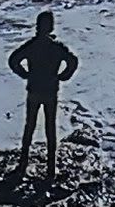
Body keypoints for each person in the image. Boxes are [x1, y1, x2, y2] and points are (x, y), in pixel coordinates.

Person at [8, 9, 78, 181]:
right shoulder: (57, 47)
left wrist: (25, 74)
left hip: (34, 90)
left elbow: (13, 60)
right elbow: (73, 61)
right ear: (51, 27)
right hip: (50, 91)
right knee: (50, 128)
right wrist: (63, 76)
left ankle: (23, 164)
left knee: (29, 126)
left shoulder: (32, 45)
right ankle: (51, 169)